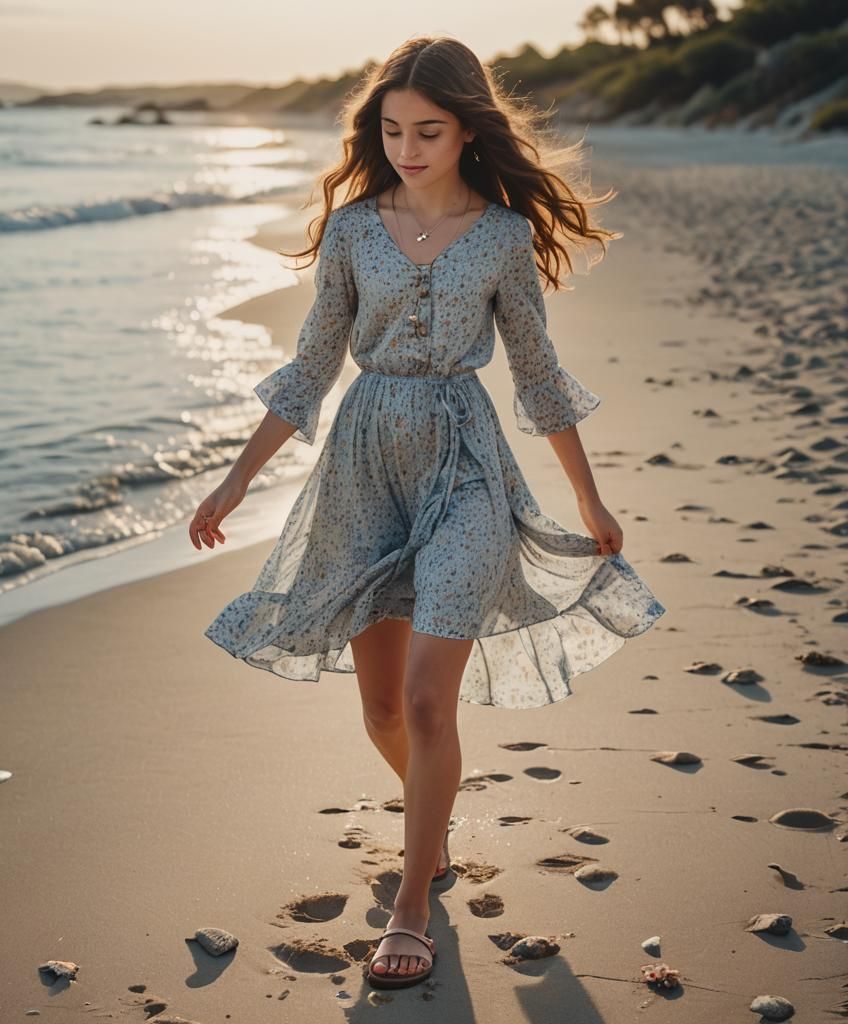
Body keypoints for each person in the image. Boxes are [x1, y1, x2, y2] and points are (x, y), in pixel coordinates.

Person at [190, 35, 666, 989]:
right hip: (363, 470)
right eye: (393, 129)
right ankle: (431, 821)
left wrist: (587, 493)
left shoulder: (499, 236)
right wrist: (236, 479)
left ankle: (414, 897)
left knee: (422, 698)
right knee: (377, 707)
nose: (407, 147)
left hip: (466, 470)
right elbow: (311, 369)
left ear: (466, 130)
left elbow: (535, 372)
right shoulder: (354, 230)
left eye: (429, 130)